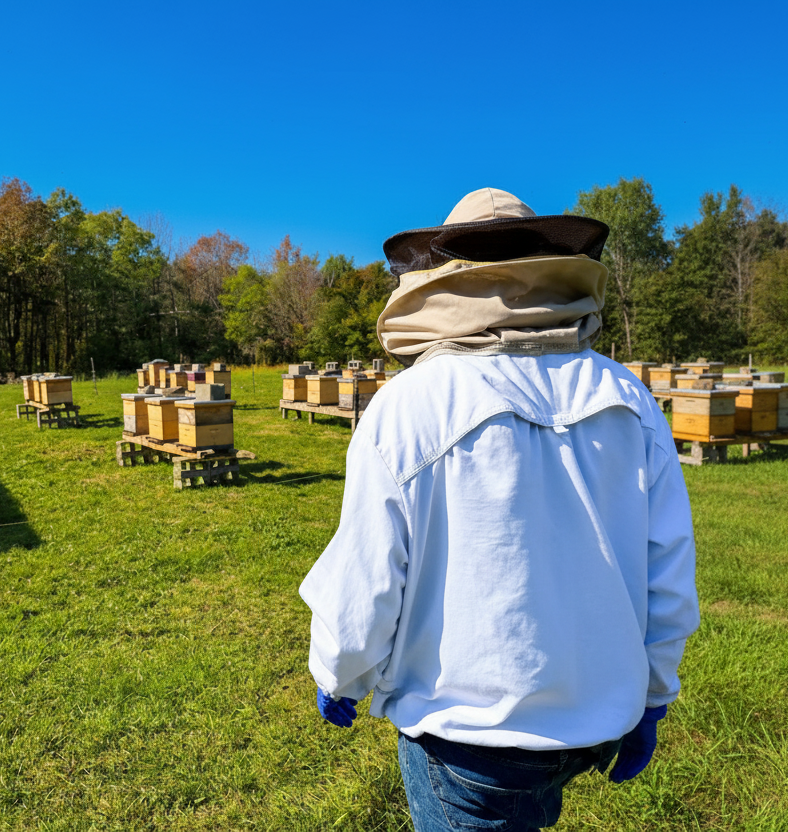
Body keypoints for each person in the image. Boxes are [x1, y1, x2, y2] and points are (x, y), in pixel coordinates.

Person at [299, 188, 700, 831]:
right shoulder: (628, 395)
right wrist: (653, 694)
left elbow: (367, 577)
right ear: (548, 268)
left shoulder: (409, 403)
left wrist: (338, 672)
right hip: (596, 724)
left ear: (442, 277)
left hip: (468, 740)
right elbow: (668, 571)